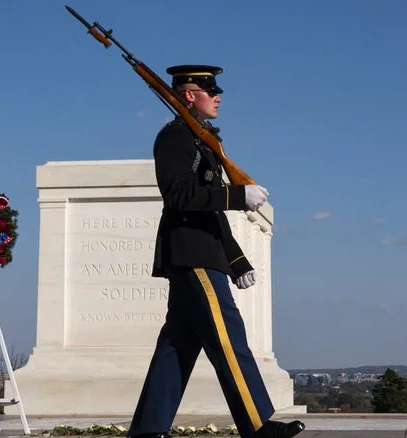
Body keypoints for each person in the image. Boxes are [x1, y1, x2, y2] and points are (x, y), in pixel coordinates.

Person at [127, 65, 305, 438]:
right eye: (211, 91)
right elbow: (178, 196)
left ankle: (148, 429)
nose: (219, 97)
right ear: (189, 95)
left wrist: (236, 258)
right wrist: (237, 196)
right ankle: (257, 426)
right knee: (228, 337)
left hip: (198, 251)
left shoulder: (199, 141)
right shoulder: (176, 138)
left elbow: (207, 209)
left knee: (178, 344)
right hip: (192, 255)